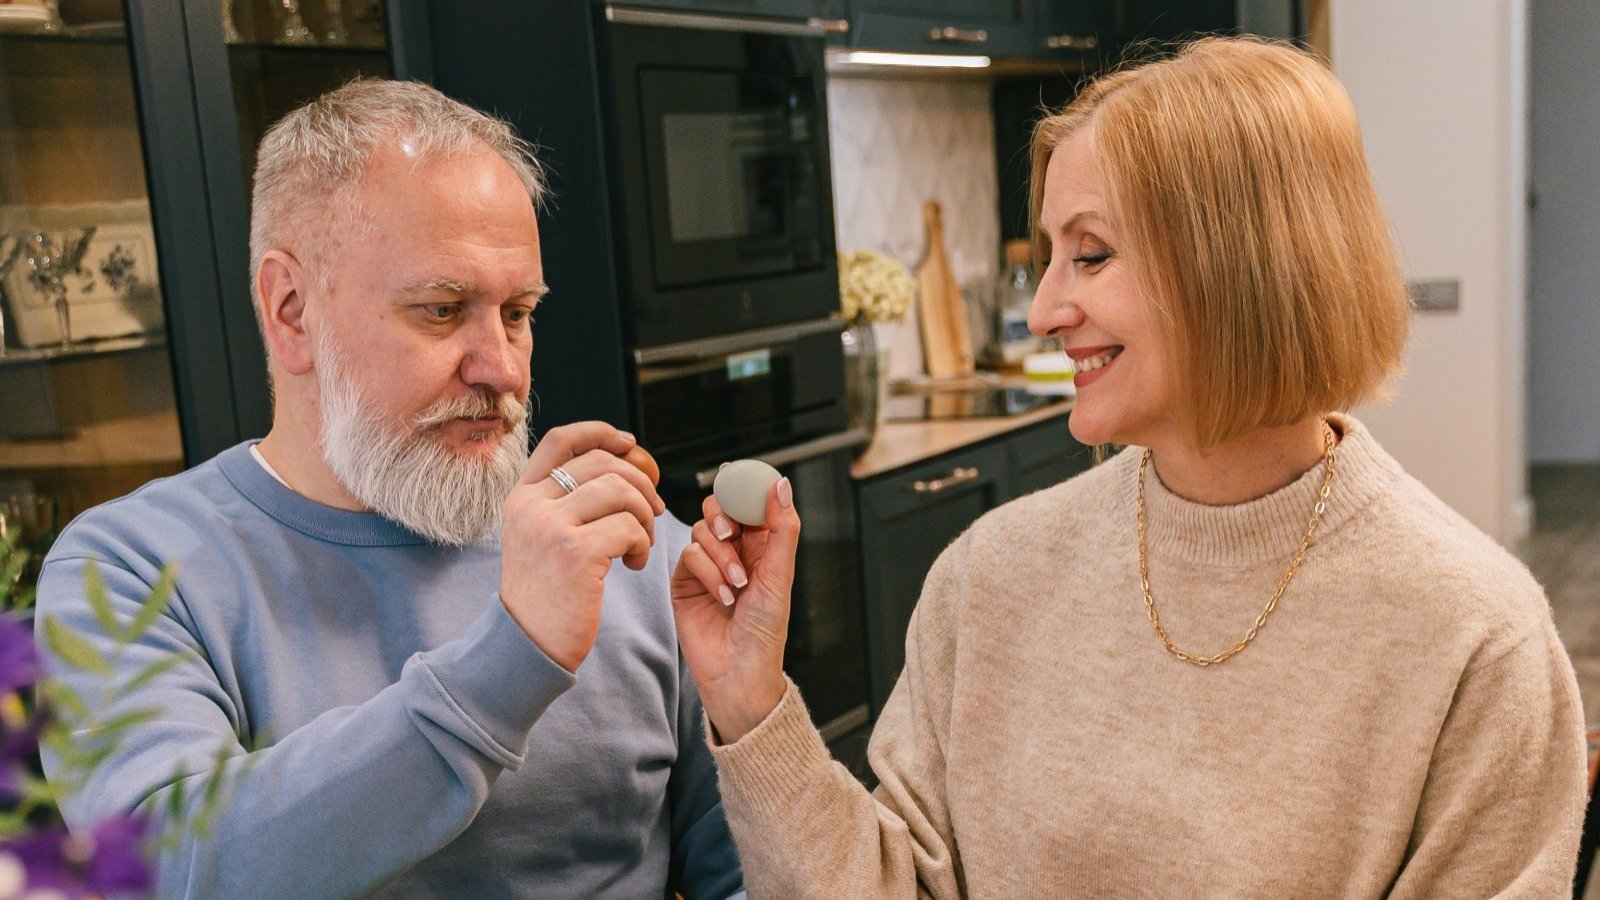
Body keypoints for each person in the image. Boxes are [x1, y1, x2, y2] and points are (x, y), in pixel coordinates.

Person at [669, 37, 1588, 897]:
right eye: (1049, 258)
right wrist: (751, 704)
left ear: (1241, 266)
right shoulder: (990, 577)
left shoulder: (1474, 638)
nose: (1045, 311)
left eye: (1093, 254)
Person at [35, 79, 744, 898]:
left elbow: (746, 870)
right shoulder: (130, 569)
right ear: (292, 311)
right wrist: (513, 657)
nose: (503, 369)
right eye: (443, 312)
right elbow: (169, 873)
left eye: (516, 312)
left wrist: (762, 716)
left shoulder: (623, 547)